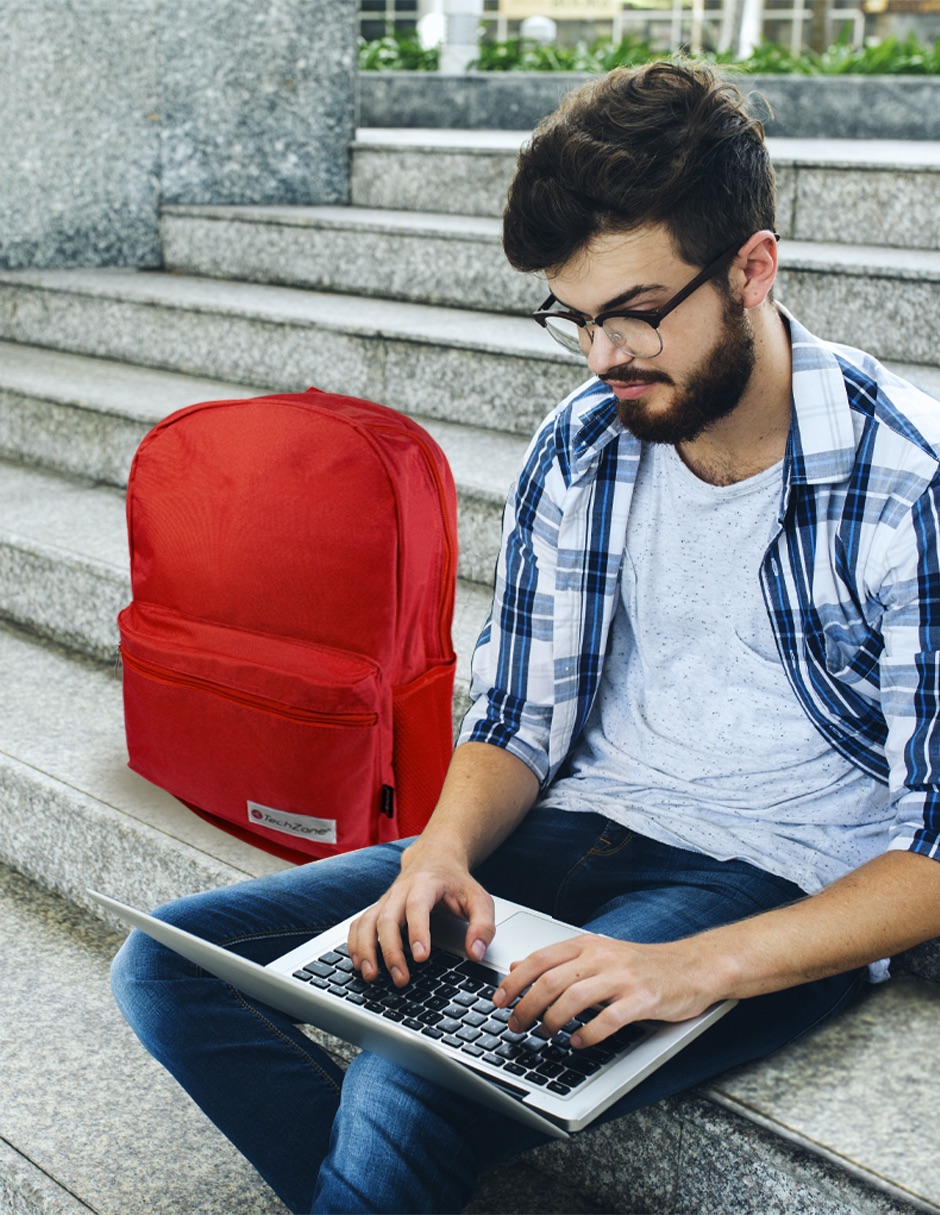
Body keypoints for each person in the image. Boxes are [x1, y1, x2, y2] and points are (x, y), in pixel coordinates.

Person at [110, 59, 940, 1214]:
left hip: (768, 878)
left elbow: (937, 843)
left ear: (753, 268)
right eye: (577, 319)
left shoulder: (906, 482)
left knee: (409, 1083)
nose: (605, 359)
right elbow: (519, 717)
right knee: (170, 966)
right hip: (567, 829)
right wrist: (438, 855)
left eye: (637, 315)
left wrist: (692, 969)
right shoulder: (586, 441)